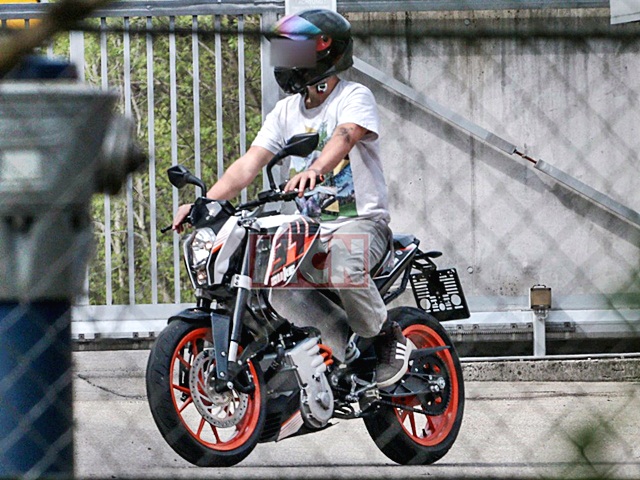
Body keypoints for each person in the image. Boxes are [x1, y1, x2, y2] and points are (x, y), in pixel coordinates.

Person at [172, 9, 413, 388]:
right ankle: (343, 355)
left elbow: (345, 136)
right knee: (274, 288)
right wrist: (205, 204)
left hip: (361, 223)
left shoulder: (353, 96)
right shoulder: (286, 111)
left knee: (342, 263)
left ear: (324, 51)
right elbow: (248, 165)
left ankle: (386, 336)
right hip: (309, 230)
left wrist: (316, 168)